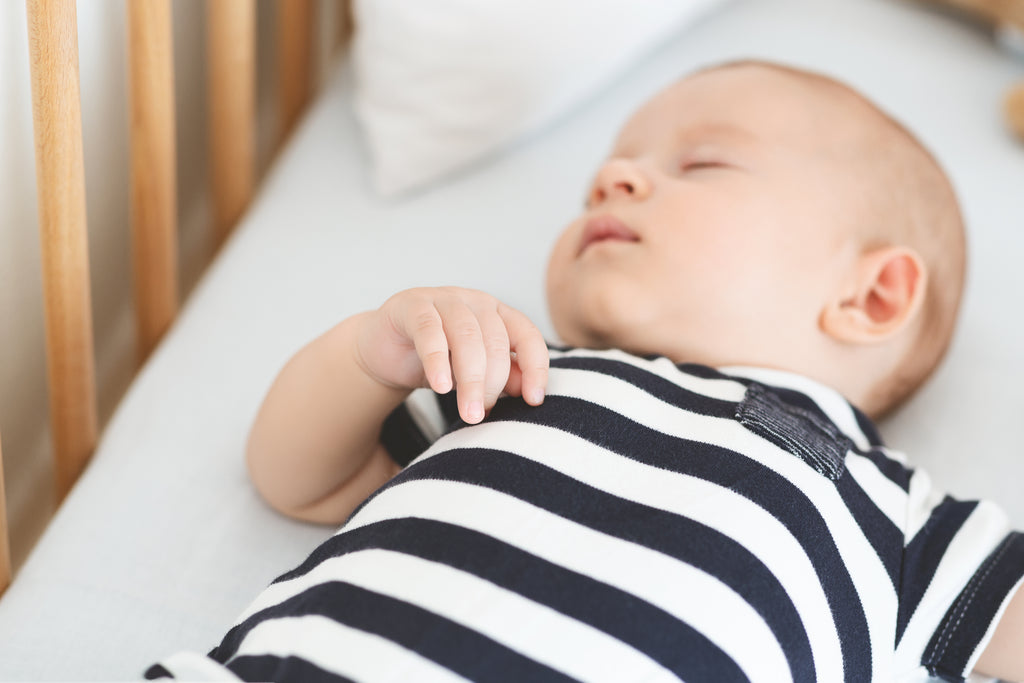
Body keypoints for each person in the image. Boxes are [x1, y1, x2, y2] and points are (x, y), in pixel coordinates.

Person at [147, 61, 1024, 682]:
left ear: (870, 298)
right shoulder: (521, 372)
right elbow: (296, 480)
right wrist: (367, 357)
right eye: (601, 180)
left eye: (700, 162)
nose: (613, 177)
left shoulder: (893, 511)